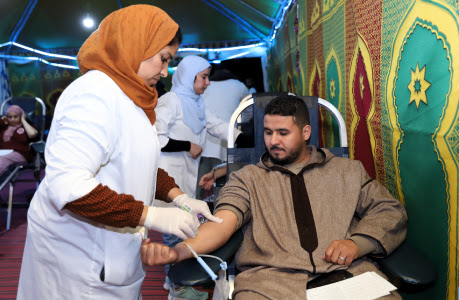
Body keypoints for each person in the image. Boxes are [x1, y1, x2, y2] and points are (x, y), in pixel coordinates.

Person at [17, 5, 221, 300]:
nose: (165, 71)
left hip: (112, 251)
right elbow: (68, 187)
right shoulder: (92, 95)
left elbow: (139, 163)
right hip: (78, 260)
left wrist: (182, 198)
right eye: (163, 59)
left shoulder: (131, 96)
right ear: (135, 45)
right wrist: (150, 216)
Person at [142, 94, 408, 299]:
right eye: (268, 133)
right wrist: (177, 252)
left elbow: (389, 210)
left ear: (305, 133)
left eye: (283, 133)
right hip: (269, 284)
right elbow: (222, 224)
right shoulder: (247, 178)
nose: (273, 141)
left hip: (347, 275)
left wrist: (358, 244)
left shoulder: (347, 171)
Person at [155, 55, 243, 300]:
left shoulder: (196, 102)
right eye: (204, 77)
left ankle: (172, 279)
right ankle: (177, 285)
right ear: (188, 76)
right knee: (174, 229)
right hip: (168, 177)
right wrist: (188, 145)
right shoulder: (170, 101)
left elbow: (215, 125)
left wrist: (246, 136)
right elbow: (156, 136)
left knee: (181, 228)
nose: (208, 83)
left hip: (185, 176)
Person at [196, 68, 249, 200]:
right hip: (230, 140)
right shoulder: (239, 85)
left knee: (201, 187)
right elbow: (248, 111)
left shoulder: (205, 86)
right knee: (227, 186)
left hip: (204, 145)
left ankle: (200, 216)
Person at [0, 105, 38, 176]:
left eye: (15, 117)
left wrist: (23, 120)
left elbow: (32, 134)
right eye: (10, 117)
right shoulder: (4, 127)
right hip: (2, 152)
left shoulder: (26, 127)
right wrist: (2, 122)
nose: (12, 119)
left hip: (19, 154)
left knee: (1, 160)